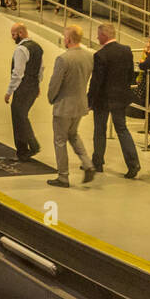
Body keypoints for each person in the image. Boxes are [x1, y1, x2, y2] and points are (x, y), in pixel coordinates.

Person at [45, 25, 96, 187]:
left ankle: (63, 176)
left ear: (69, 39)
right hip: (80, 104)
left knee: (60, 140)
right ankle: (87, 163)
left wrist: (51, 98)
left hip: (64, 106)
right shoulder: (89, 56)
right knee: (73, 135)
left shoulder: (63, 59)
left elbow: (55, 84)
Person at [89, 23, 140, 178]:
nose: (97, 38)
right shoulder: (126, 51)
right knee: (122, 130)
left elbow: (96, 81)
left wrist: (89, 100)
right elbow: (131, 74)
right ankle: (133, 163)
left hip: (103, 99)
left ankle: (97, 162)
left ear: (104, 35)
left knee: (100, 130)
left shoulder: (100, 55)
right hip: (120, 97)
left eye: (98, 35)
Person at [4, 22, 43, 161]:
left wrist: (9, 91)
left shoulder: (21, 49)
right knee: (22, 115)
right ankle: (27, 148)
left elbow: (18, 73)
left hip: (23, 88)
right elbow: (41, 69)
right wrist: (37, 85)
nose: (13, 38)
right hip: (32, 87)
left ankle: (27, 148)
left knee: (18, 117)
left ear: (20, 33)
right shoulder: (38, 47)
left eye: (14, 35)